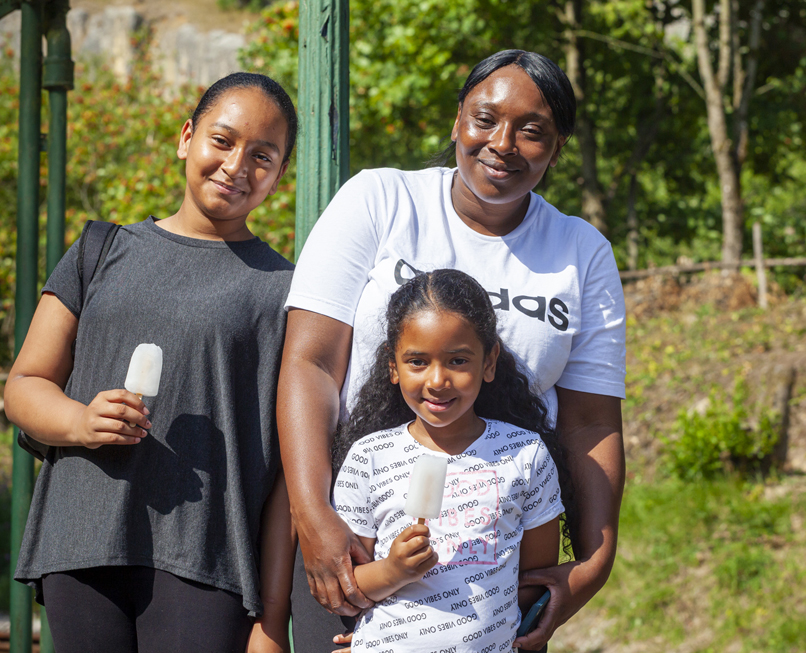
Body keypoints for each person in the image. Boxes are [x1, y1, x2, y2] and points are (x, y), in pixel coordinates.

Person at [278, 48, 626, 652]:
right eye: (484, 118)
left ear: (558, 146)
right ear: (456, 121)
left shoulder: (582, 250)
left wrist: (594, 561)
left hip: (491, 575)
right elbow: (308, 366)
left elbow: (592, 420)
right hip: (356, 544)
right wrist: (315, 516)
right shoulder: (379, 200)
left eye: (532, 131)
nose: (503, 143)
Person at [4, 72, 297, 653]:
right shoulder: (100, 250)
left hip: (209, 556)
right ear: (187, 137)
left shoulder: (284, 291)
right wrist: (79, 422)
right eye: (223, 139)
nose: (237, 165)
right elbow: (24, 386)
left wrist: (271, 620)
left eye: (262, 155)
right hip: (82, 540)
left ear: (280, 174)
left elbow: (289, 469)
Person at [329, 269, 572, 652]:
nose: (437, 379)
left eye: (458, 361)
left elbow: (534, 579)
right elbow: (347, 583)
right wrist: (394, 570)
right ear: (393, 366)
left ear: (489, 362)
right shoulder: (368, 458)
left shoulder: (525, 454)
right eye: (417, 361)